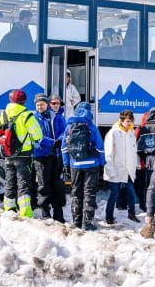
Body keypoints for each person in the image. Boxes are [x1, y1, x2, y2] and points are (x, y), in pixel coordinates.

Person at [0, 89, 43, 218]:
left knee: (9, 182)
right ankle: (25, 212)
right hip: (23, 155)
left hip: (8, 153)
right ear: (24, 101)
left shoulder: (2, 115)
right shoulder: (27, 116)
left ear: (10, 100)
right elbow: (38, 135)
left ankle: (9, 207)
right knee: (23, 184)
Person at [62, 102, 105, 230]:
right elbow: (100, 147)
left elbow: (64, 147)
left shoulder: (69, 126)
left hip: (75, 164)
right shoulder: (91, 126)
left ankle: (76, 221)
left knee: (76, 192)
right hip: (92, 164)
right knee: (89, 193)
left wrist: (66, 164)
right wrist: (102, 163)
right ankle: (87, 223)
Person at [32, 94, 66, 222]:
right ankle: (45, 212)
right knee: (43, 184)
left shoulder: (56, 117)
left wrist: (60, 141)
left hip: (55, 155)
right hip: (40, 155)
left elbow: (65, 131)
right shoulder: (34, 118)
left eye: (42, 104)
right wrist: (52, 142)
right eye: (37, 104)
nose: (40, 106)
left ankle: (58, 212)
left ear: (47, 104)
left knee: (57, 184)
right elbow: (36, 137)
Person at [104, 110, 140, 224]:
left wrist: (135, 164)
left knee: (131, 193)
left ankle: (132, 213)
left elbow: (134, 151)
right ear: (121, 121)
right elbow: (108, 153)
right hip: (115, 168)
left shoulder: (131, 133)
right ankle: (109, 217)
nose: (130, 123)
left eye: (131, 121)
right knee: (114, 194)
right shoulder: (113, 133)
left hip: (128, 169)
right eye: (128, 121)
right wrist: (110, 169)